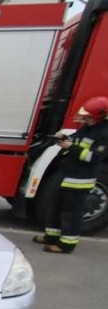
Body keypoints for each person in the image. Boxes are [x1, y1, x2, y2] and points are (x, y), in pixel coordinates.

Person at [33, 95, 108, 254]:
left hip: (80, 179)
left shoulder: (104, 134)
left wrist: (70, 147)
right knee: (55, 207)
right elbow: (77, 139)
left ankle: (66, 244)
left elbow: (93, 157)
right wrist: (64, 138)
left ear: (97, 116)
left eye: (88, 116)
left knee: (71, 213)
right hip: (69, 173)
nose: (85, 118)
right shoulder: (88, 128)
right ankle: (52, 237)